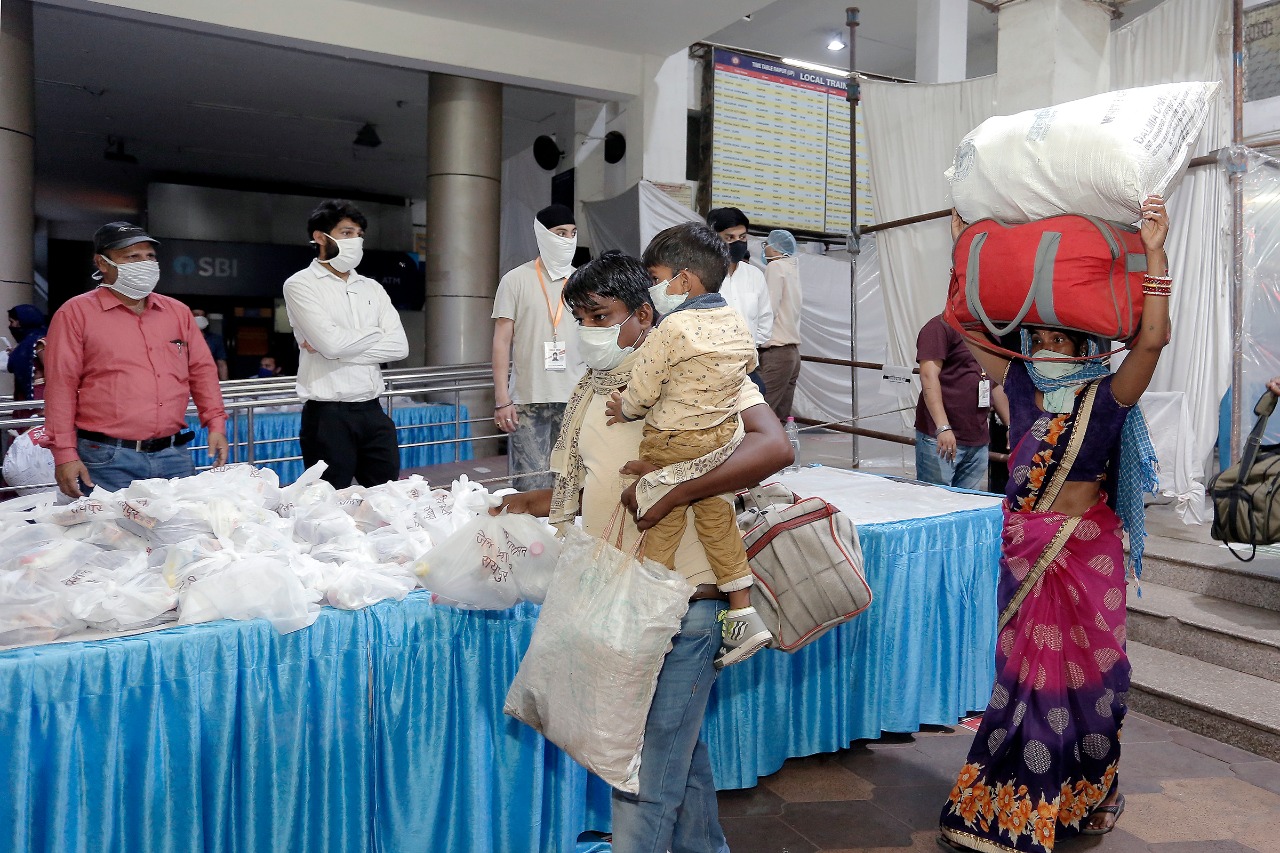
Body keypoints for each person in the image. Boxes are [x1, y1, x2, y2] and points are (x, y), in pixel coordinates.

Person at [495, 248, 793, 853]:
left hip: (683, 600)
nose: (590, 329)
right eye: (579, 316)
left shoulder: (694, 371)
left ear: (643, 312)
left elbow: (773, 447)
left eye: (602, 315)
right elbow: (597, 478)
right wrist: (533, 501)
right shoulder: (594, 386)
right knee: (675, 751)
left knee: (640, 773)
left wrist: (678, 490)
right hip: (621, 592)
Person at [937, 196, 1171, 853]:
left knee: (1098, 688)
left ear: (1084, 343)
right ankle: (1014, 807)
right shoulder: (1018, 386)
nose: (1042, 348)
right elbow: (963, 328)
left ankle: (1090, 792)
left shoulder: (1110, 393)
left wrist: (1153, 252)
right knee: (1026, 684)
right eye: (1034, 339)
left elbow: (1151, 337)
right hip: (1026, 549)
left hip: (1086, 555)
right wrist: (964, 256)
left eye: (1055, 339)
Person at [602, 228, 771, 667]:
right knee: (718, 523)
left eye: (657, 277)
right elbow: (749, 364)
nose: (654, 288)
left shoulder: (672, 327)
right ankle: (743, 615)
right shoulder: (735, 320)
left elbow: (642, 391)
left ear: (684, 280)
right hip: (718, 442)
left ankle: (652, 613)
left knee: (661, 524)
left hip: (671, 441)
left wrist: (624, 409)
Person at [42, 222, 229, 498]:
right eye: (133, 257)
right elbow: (61, 387)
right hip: (107, 458)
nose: (145, 264)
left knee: (182, 538)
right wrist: (65, 454)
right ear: (102, 263)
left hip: (173, 455)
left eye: (150, 256)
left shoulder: (177, 312)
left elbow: (201, 371)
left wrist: (216, 424)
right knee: (111, 539)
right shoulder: (76, 313)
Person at [283, 199, 408, 488]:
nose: (356, 241)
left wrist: (337, 347)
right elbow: (332, 345)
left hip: (373, 409)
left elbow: (400, 347)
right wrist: (374, 333)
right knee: (328, 503)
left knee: (385, 498)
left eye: (360, 235)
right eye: (347, 233)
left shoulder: (371, 287)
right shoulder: (301, 284)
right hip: (328, 414)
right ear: (320, 237)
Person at [491, 203, 586, 490]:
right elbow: (501, 341)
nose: (567, 240)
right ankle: (530, 537)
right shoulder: (515, 280)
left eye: (572, 233)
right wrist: (501, 398)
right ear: (543, 235)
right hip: (528, 398)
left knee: (570, 485)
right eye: (560, 233)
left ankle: (564, 537)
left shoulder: (584, 281)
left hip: (575, 397)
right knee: (531, 485)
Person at [914, 313, 1010, 491]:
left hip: (977, 439)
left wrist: (1011, 426)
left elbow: (995, 383)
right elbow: (928, 376)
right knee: (935, 504)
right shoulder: (938, 327)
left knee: (966, 505)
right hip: (941, 438)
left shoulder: (991, 332)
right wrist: (943, 427)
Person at [707, 207, 772, 393]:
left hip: (746, 370)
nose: (737, 243)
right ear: (713, 239)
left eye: (742, 237)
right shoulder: (702, 277)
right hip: (711, 373)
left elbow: (765, 320)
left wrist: (747, 349)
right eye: (729, 238)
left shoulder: (755, 276)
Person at [758, 229, 804, 421]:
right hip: (792, 354)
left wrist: (756, 339)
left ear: (776, 249)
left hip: (776, 352)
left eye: (767, 244)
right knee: (780, 417)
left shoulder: (775, 267)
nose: (765, 248)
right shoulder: (792, 268)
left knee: (761, 413)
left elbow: (769, 307)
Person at [6, 304, 47, 402]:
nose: (10, 326)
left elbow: (53, 372)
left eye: (12, 322)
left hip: (38, 398)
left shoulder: (40, 342)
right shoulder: (23, 345)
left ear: (22, 322)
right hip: (23, 397)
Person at [191, 308, 229, 381]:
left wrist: (225, 384)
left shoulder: (215, 339)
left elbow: (221, 364)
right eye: (196, 315)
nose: (200, 317)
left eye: (202, 315)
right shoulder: (181, 338)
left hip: (207, 380)